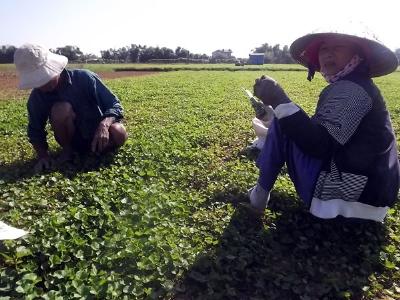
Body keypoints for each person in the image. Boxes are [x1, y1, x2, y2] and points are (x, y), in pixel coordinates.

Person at [247, 29, 400, 222]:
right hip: (369, 198)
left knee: (284, 118)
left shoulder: (353, 90)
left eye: (338, 47)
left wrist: (279, 100)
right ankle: (261, 190)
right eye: (323, 48)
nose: (328, 53)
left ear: (358, 55)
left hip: (350, 196)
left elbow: (319, 146)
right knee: (284, 116)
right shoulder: (358, 86)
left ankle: (259, 196)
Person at [13, 44, 128, 172]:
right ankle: (69, 151)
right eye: (38, 82)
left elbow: (114, 104)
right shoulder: (37, 97)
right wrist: (43, 156)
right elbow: (35, 130)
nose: (43, 86)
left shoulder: (85, 78)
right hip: (73, 141)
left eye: (46, 78)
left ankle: (97, 149)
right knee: (61, 108)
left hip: (98, 134)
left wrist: (104, 125)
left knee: (119, 132)